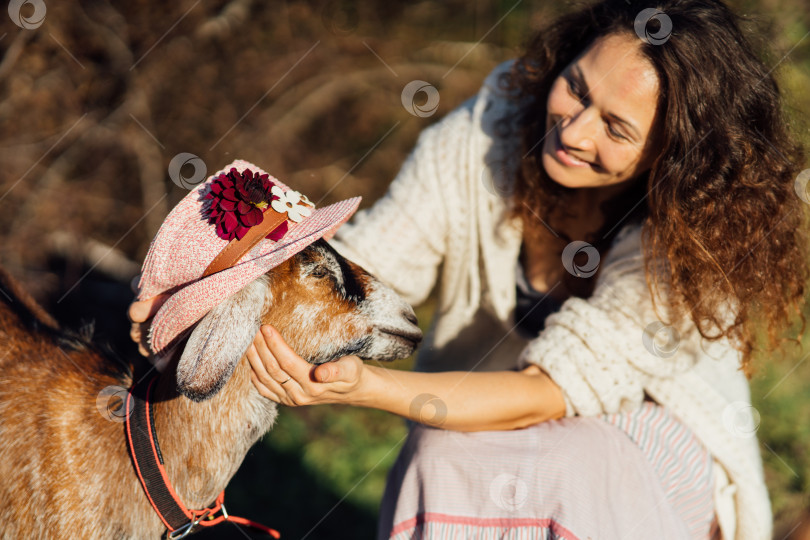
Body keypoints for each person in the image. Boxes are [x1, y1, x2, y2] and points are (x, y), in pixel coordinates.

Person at [129, 0, 808, 538]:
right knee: (442, 452)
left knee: (576, 461)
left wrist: (368, 388)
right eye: (576, 88)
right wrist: (205, 281)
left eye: (616, 128)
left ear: (671, 155)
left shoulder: (692, 236)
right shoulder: (488, 132)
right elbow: (373, 263)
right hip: (490, 417)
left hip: (647, 444)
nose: (573, 132)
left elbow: (551, 393)